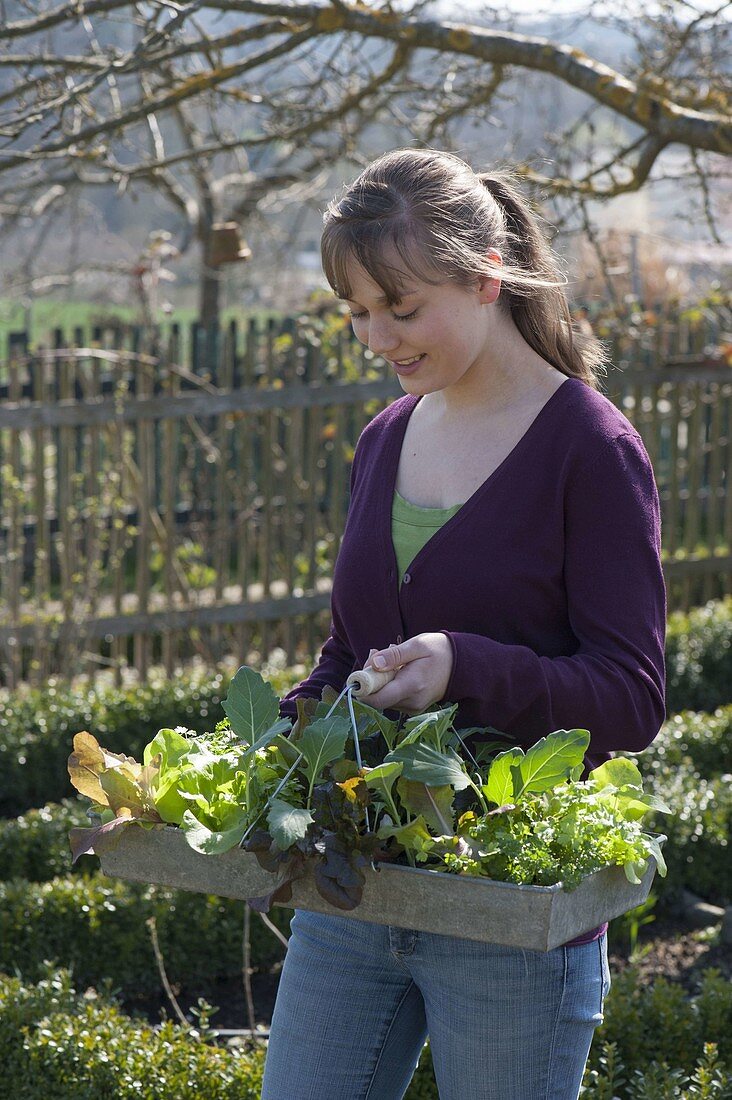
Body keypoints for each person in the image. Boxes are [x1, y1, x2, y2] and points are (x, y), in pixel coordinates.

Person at [261, 148, 666, 1100]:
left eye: (401, 308)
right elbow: (350, 649)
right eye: (357, 311)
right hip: (354, 885)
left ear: (487, 278)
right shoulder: (386, 436)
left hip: (512, 911)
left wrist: (462, 665)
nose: (376, 337)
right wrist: (289, 739)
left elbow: (633, 698)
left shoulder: (592, 450)